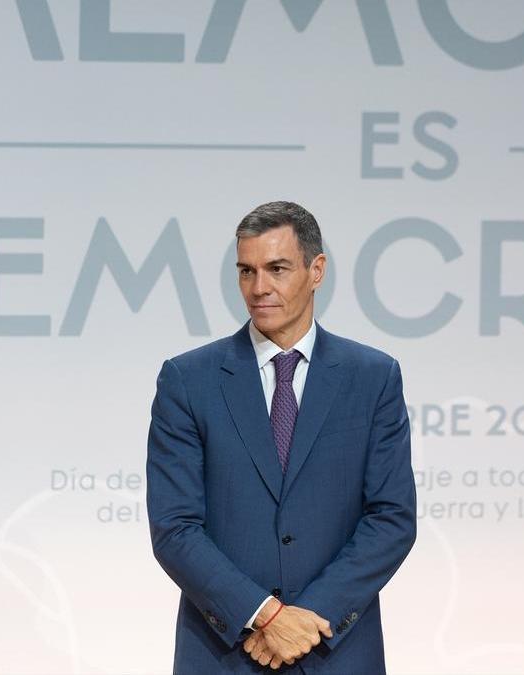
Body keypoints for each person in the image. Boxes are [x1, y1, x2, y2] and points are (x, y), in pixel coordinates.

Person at [146, 201, 417, 673]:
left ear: (316, 270)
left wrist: (309, 619)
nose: (258, 288)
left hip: (335, 651)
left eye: (277, 269)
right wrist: (265, 615)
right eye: (246, 271)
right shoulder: (188, 380)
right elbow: (175, 527)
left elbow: (391, 518)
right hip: (226, 653)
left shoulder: (373, 377)